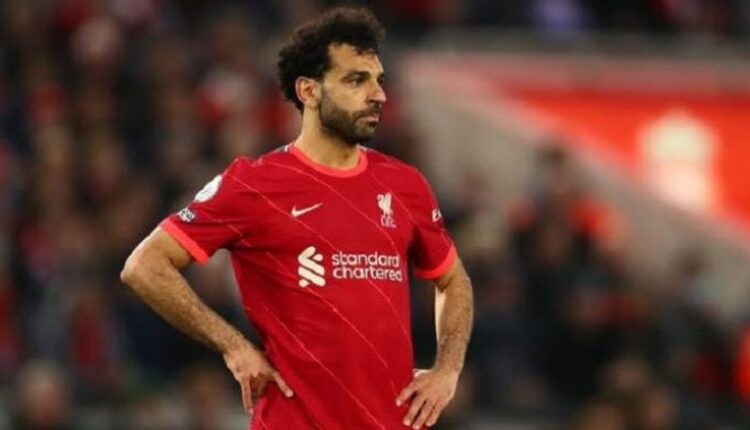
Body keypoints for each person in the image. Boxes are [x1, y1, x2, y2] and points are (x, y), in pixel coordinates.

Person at [120, 7, 474, 430]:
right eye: (356, 80)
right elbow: (145, 266)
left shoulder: (405, 184)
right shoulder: (255, 184)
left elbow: (453, 280)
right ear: (308, 90)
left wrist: (447, 369)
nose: (378, 94)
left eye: (379, 80)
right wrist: (233, 346)